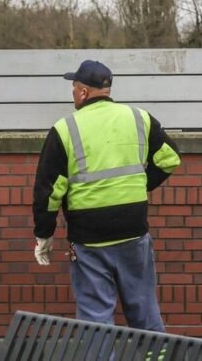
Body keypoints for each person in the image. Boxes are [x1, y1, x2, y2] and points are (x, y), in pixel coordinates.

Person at [32, 60, 181, 332]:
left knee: (96, 318)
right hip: (133, 233)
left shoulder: (65, 129)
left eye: (74, 88)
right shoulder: (139, 118)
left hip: (90, 240)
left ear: (83, 92)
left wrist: (44, 234)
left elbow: (49, 190)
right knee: (144, 308)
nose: (73, 94)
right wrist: (139, 186)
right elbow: (169, 159)